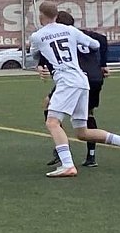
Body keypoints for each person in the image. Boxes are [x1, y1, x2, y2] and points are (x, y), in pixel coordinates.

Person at [29, 1, 120, 178]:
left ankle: (67, 165)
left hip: (66, 81)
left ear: (41, 16)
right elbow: (95, 44)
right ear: (57, 16)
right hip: (82, 80)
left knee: (52, 122)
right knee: (82, 132)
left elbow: (35, 54)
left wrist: (41, 64)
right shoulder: (71, 31)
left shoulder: (37, 36)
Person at [39, 11, 109, 168]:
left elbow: (49, 52)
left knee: (50, 108)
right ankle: (91, 156)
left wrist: (41, 65)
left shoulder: (62, 36)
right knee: (88, 114)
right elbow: (101, 40)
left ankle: (61, 149)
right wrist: (103, 64)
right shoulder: (83, 34)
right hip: (95, 78)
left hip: (74, 79)